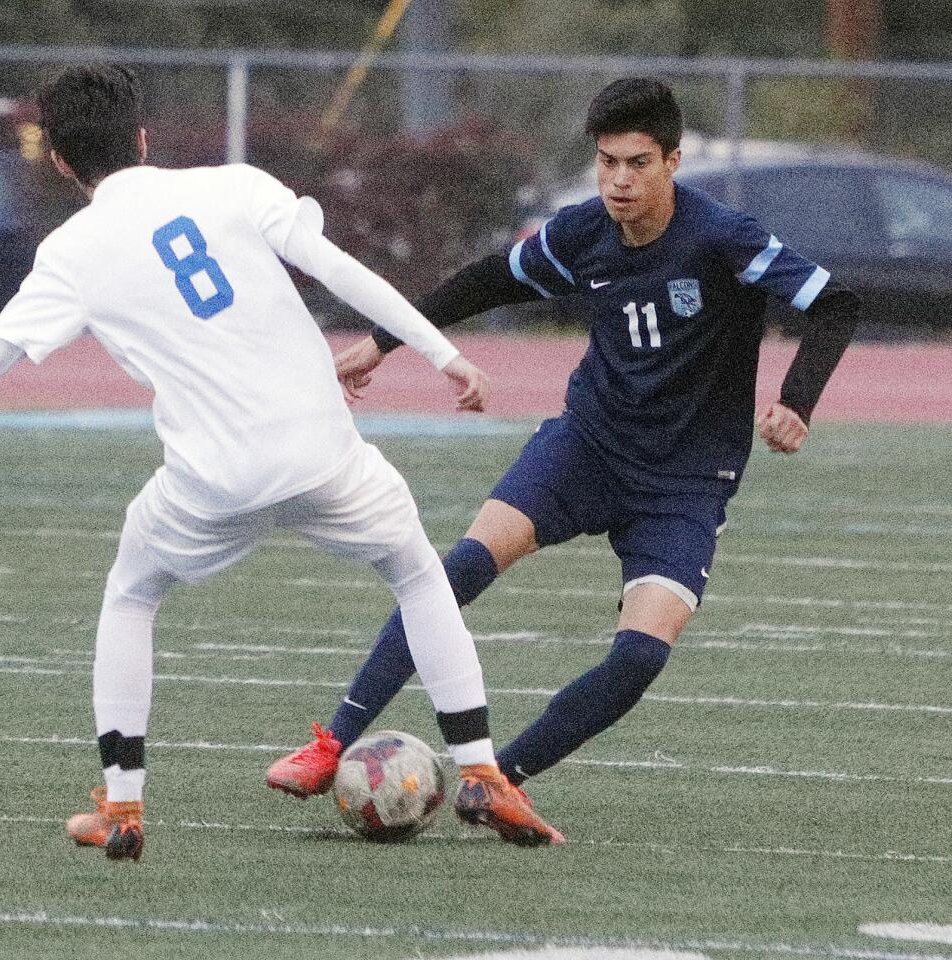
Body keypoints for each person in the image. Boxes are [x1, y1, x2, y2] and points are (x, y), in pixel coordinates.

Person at [0, 64, 564, 861]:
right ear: (141, 136)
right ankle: (480, 767)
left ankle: (121, 807)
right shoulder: (234, 184)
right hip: (322, 454)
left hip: (210, 481)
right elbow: (339, 270)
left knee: (131, 597)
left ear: (60, 161)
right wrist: (442, 353)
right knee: (416, 575)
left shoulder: (71, 251)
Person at [266, 78, 861, 816]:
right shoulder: (583, 232)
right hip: (585, 449)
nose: (617, 179)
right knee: (450, 573)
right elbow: (484, 282)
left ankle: (497, 780)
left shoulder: (721, 238)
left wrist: (795, 401)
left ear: (672, 161)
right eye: (607, 161)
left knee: (640, 657)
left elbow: (835, 302)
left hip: (683, 482)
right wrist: (384, 342)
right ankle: (332, 743)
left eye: (636, 163)